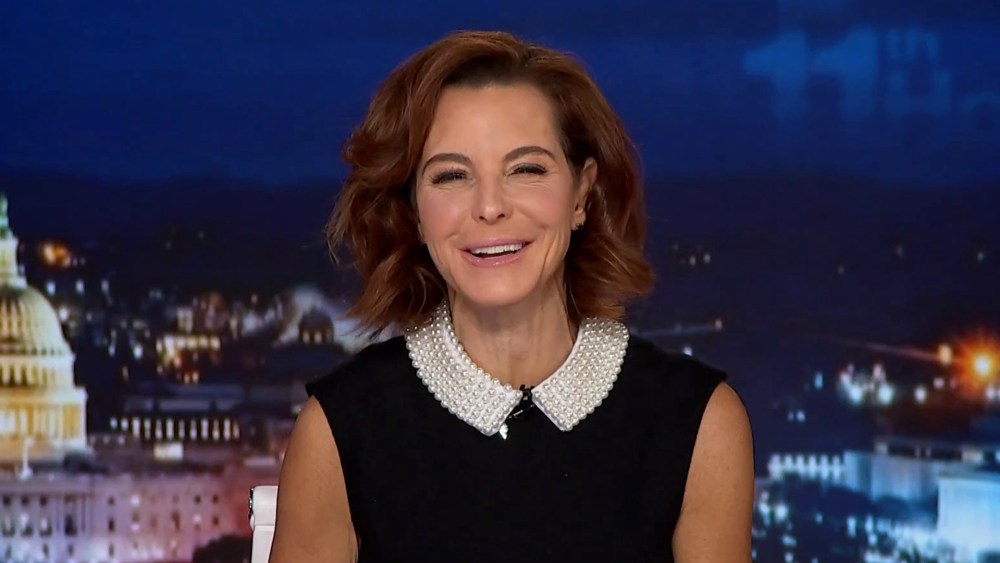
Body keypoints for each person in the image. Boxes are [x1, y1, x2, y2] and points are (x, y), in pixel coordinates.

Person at [270, 30, 753, 563]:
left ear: (581, 194)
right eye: (452, 176)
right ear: (414, 213)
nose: (490, 207)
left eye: (526, 169)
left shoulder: (698, 423)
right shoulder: (340, 430)